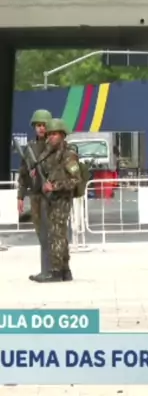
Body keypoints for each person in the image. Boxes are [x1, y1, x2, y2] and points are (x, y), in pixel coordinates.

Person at [30, 118, 82, 284]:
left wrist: (55, 186)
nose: (51, 137)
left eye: (54, 134)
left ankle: (56, 272)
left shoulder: (68, 155)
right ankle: (65, 271)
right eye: (49, 134)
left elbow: (76, 179)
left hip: (61, 198)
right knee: (58, 234)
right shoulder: (49, 153)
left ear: (62, 135)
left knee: (56, 235)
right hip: (51, 199)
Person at [17, 109, 52, 274]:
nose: (41, 128)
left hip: (52, 195)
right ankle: (46, 269)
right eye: (38, 125)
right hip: (36, 195)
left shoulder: (54, 146)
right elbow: (23, 174)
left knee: (53, 234)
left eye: (44, 125)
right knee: (41, 233)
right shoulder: (30, 148)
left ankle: (54, 268)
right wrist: (20, 196)